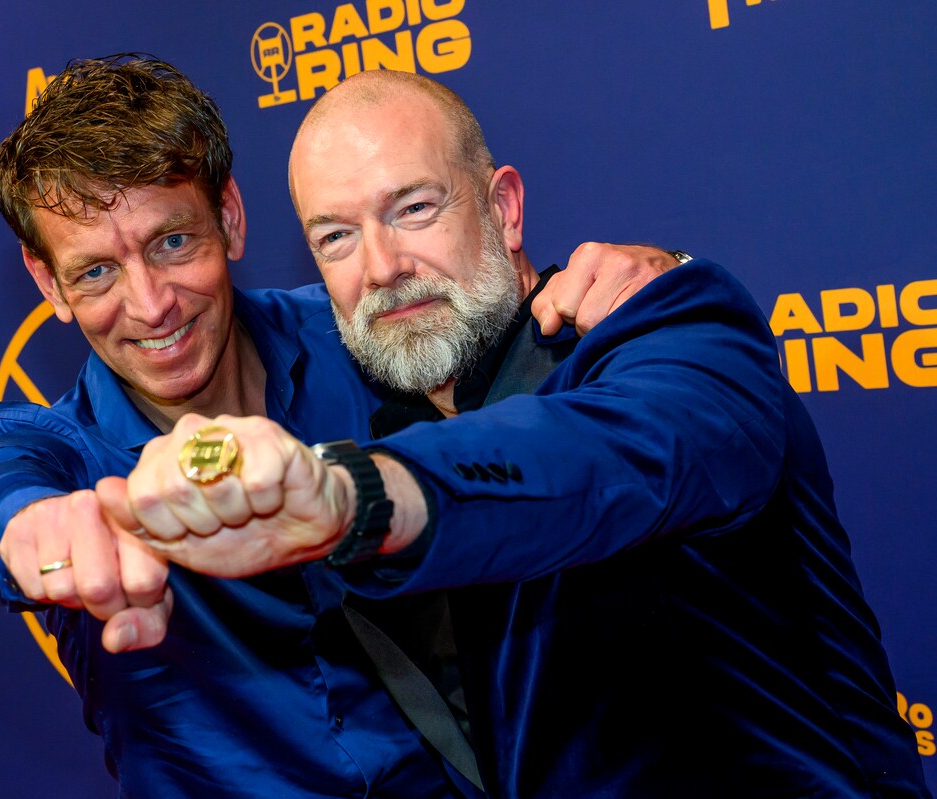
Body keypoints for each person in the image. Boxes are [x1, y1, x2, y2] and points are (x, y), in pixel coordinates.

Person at [99, 70, 932, 798]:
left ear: (504, 208)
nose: (382, 267)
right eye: (336, 237)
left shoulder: (667, 329)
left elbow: (601, 454)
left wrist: (357, 496)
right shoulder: (382, 411)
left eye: (414, 209)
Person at [0, 54, 676, 798]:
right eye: (96, 271)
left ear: (230, 218)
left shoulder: (368, 329)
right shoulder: (54, 453)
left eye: (172, 243)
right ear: (48, 282)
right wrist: (36, 531)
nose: (151, 304)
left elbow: (533, 359)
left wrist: (657, 275)